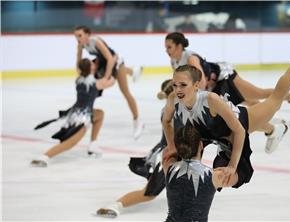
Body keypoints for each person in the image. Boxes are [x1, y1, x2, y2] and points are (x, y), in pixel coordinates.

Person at [162, 33, 290, 189]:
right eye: (175, 85)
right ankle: (275, 129)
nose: (177, 90)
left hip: (240, 122)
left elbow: (239, 131)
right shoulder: (173, 99)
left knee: (275, 99)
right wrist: (172, 147)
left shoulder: (210, 99)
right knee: (254, 99)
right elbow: (166, 121)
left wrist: (232, 165)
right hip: (214, 133)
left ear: (196, 85)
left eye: (183, 85)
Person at [95, 79, 173, 218]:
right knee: (149, 193)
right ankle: (115, 205)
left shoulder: (173, 109)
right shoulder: (171, 112)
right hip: (169, 156)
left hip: (167, 152)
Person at [31, 58, 116, 167]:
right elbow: (110, 81)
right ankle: (45, 156)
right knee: (70, 143)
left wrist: (79, 49)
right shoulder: (95, 83)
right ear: (90, 69)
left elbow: (79, 66)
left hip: (75, 112)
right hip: (82, 117)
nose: (94, 64)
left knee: (99, 114)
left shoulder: (79, 80)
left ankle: (93, 144)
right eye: (92, 64)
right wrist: (112, 63)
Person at [74, 25, 144, 140]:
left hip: (115, 62)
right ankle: (133, 71)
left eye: (80, 35)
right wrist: (80, 74)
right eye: (76, 36)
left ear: (87, 34)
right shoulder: (80, 45)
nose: (77, 38)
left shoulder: (95, 41)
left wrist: (106, 77)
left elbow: (111, 59)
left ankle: (138, 121)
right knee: (92, 91)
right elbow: (79, 62)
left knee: (125, 92)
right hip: (102, 64)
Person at [162, 124, 231, 222]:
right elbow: (239, 174)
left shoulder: (168, 166)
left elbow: (166, 124)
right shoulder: (216, 176)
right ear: (201, 145)